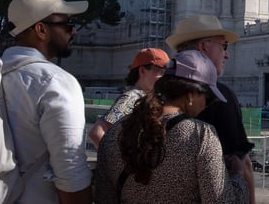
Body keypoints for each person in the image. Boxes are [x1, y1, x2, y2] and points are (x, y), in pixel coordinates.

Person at [94, 50, 248, 203]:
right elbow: (220, 201)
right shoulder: (201, 136)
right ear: (191, 95)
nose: (206, 107)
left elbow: (103, 197)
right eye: (209, 99)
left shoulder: (115, 132)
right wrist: (238, 176)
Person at [1, 0, 92, 203]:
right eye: (67, 25)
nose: (74, 32)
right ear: (41, 30)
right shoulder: (56, 81)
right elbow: (71, 173)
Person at [165, 15, 256, 204]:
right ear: (204, 47)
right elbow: (241, 163)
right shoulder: (221, 97)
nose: (227, 54)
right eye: (224, 46)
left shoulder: (153, 94)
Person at [88, 48, 169, 149]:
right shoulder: (131, 98)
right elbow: (97, 133)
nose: (164, 77)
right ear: (142, 71)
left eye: (165, 72)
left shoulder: (146, 97)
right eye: (160, 71)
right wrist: (119, 161)